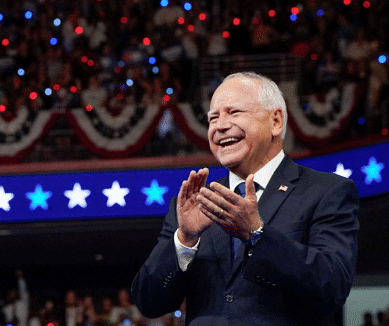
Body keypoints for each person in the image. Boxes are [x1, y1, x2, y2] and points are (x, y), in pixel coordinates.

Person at [131, 72, 359, 325]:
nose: (220, 126)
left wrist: (257, 234)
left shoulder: (326, 191)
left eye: (235, 112)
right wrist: (185, 240)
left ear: (275, 122)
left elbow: (333, 286)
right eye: (213, 118)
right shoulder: (194, 203)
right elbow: (148, 302)